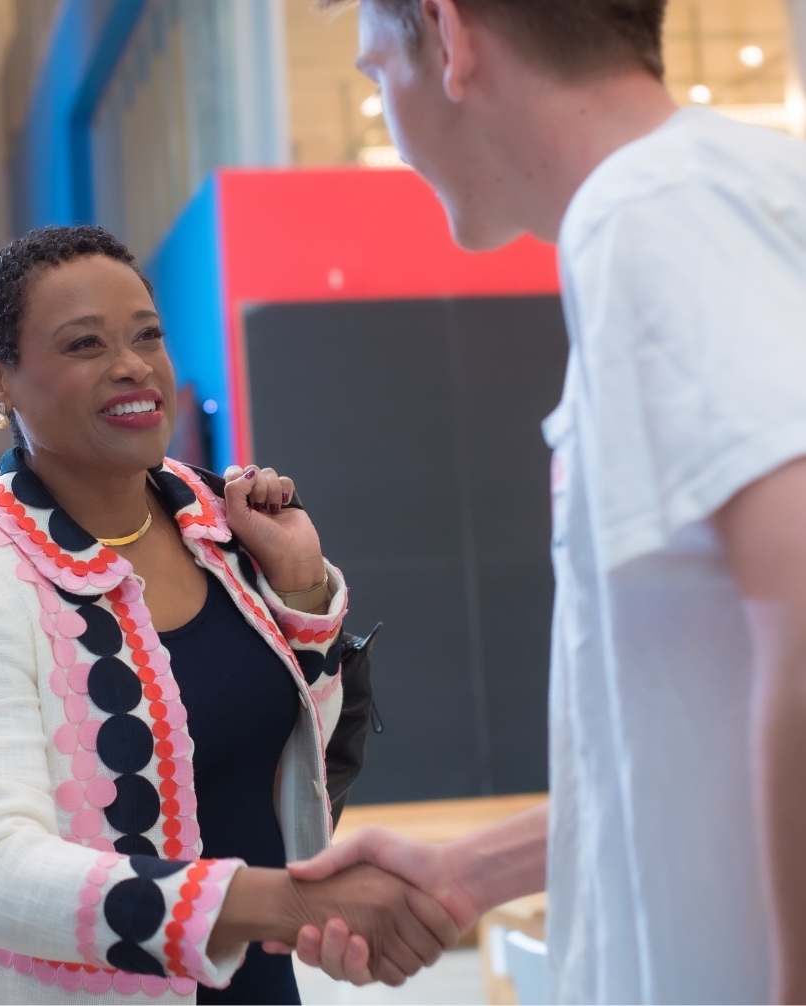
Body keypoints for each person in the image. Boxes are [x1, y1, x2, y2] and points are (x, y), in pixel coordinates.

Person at [278, 1, 806, 1003]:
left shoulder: (654, 213)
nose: (383, 114)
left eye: (373, 73)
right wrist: (477, 869)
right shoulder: (710, 194)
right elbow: (705, 719)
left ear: (449, 37)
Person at [0, 225, 457, 1005]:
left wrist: (296, 584)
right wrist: (275, 904)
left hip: (261, 983)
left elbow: (298, 756)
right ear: (0, 382)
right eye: (84, 344)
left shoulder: (220, 522)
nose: (131, 365)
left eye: (146, 336)